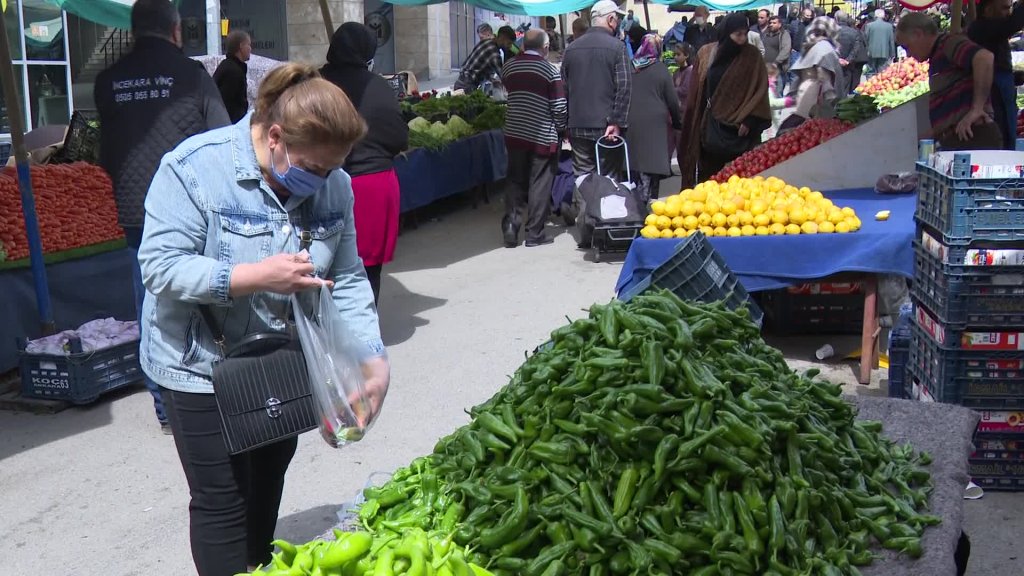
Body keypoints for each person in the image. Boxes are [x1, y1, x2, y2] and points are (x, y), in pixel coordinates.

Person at [138, 63, 389, 576]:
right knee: (222, 498)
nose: (323, 181)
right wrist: (252, 275)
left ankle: (258, 565)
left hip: (278, 357)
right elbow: (160, 268)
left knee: (268, 477)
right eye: (315, 168)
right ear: (275, 137)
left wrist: (372, 357)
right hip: (197, 363)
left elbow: (350, 275)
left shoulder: (335, 187)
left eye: (333, 168)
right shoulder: (194, 169)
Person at [93, 0, 230, 435]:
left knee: (149, 296)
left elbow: (106, 148)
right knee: (203, 286)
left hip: (134, 205)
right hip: (191, 203)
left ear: (133, 31)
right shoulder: (193, 76)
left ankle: (164, 402)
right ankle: (210, 384)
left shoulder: (108, 81)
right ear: (176, 31)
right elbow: (222, 135)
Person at [320, 23, 408, 304]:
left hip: (318, 182)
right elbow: (398, 137)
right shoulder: (378, 87)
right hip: (371, 184)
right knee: (367, 267)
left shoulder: (313, 84)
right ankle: (364, 330)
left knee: (322, 264)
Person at [680, 13, 771, 185]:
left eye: (745, 34)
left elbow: (759, 91)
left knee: (740, 180)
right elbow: (697, 91)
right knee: (711, 180)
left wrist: (750, 120)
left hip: (740, 132)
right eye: (738, 34)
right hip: (710, 128)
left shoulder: (752, 56)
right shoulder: (707, 54)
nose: (742, 39)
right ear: (726, 33)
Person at [500, 29, 567, 248]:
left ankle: (511, 226)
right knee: (539, 182)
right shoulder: (549, 70)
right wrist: (561, 130)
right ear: (545, 47)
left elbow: (508, 90)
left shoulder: (508, 66)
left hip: (515, 132)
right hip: (541, 136)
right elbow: (558, 107)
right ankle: (534, 233)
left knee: (515, 181)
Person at [896, 12, 1001, 150]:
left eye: (907, 47)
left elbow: (984, 58)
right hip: (959, 139)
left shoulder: (948, 44)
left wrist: (977, 109)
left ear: (918, 34)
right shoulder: (936, 55)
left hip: (974, 136)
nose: (908, 54)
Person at [562, 0, 632, 177]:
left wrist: (565, 124)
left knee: (583, 180)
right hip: (606, 127)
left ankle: (585, 206)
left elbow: (563, 90)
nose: (618, 24)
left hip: (578, 125)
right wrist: (616, 121)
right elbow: (623, 87)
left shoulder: (571, 49)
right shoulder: (617, 47)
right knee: (608, 180)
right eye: (617, 19)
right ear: (610, 20)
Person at [626, 34, 681, 202]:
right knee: (653, 166)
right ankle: (650, 203)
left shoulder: (630, 67)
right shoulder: (661, 69)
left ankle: (636, 203)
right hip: (656, 125)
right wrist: (678, 122)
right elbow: (672, 100)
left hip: (632, 122)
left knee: (636, 165)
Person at [968, 0, 1024, 149]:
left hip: (1003, 84)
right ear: (988, 10)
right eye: (1004, 9)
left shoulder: (991, 28)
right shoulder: (982, 28)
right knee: (1003, 134)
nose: (1008, 13)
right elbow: (1013, 24)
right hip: (994, 90)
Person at [787, 16, 846, 127]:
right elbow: (824, 77)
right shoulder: (824, 48)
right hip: (816, 98)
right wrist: (833, 101)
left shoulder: (812, 45)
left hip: (806, 94)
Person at [454, 25, 516, 92]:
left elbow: (479, 67)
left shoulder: (485, 42)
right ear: (502, 38)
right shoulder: (494, 53)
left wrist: (492, 79)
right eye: (509, 43)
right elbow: (503, 76)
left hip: (460, 82)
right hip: (467, 86)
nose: (510, 47)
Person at [213, 30, 251, 123]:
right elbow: (229, 106)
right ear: (241, 46)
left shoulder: (230, 67)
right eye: (248, 45)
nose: (250, 49)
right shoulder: (232, 72)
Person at [673, 42, 696, 166]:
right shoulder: (676, 72)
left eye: (678, 54)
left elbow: (685, 90)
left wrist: (672, 90)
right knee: (680, 148)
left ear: (686, 55)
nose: (676, 57)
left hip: (687, 113)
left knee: (687, 147)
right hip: (678, 113)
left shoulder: (690, 71)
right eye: (674, 55)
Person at [835, 11, 869, 95]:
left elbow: (829, 46)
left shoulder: (831, 31)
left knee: (835, 86)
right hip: (849, 65)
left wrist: (838, 59)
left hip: (834, 63)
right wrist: (848, 60)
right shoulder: (854, 32)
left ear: (836, 19)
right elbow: (856, 49)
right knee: (846, 86)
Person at [786, 8, 814, 94]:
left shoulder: (812, 26)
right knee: (794, 74)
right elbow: (789, 36)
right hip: (796, 52)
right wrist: (791, 48)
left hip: (807, 52)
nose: (809, 17)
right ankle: (792, 94)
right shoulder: (795, 24)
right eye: (807, 15)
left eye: (810, 16)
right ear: (802, 15)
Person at [763, 15, 793, 96]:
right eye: (770, 23)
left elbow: (786, 50)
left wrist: (776, 62)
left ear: (779, 24)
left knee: (777, 92)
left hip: (778, 68)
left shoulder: (784, 34)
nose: (771, 24)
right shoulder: (765, 34)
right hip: (765, 68)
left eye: (774, 23)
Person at [865, 9, 895, 75]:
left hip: (871, 52)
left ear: (875, 16)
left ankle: (870, 83)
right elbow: (891, 41)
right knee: (882, 72)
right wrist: (892, 54)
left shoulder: (869, 25)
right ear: (884, 16)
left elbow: (865, 39)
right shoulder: (889, 26)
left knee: (870, 71)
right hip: (884, 52)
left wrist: (865, 51)